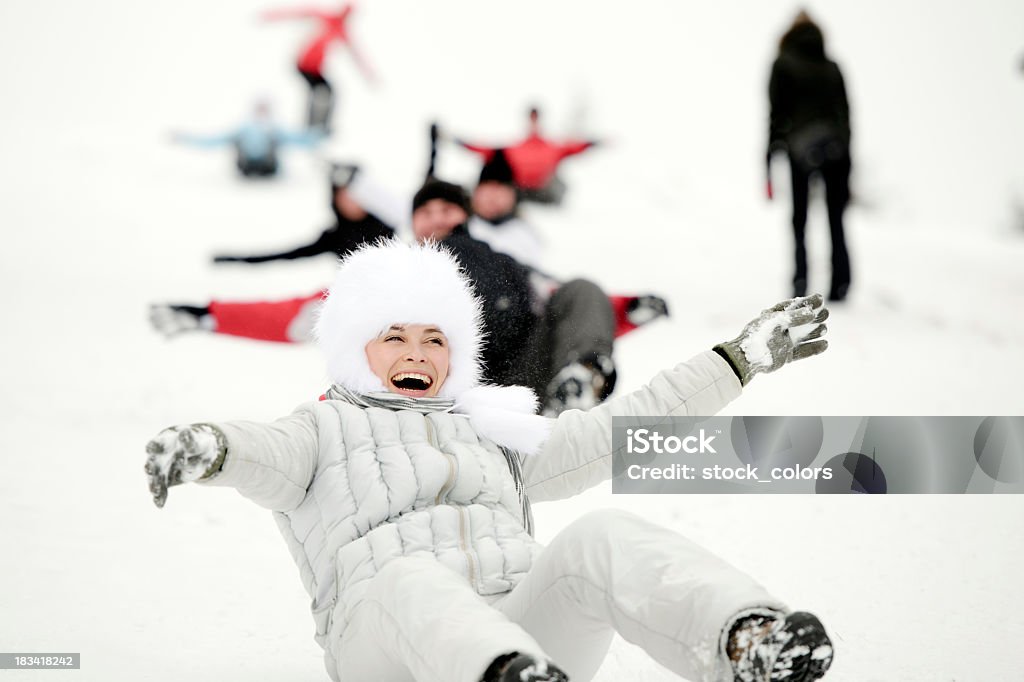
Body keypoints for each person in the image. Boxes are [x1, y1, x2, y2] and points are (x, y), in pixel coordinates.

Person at [144, 240, 834, 682]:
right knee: (408, 576)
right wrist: (212, 448)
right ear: (358, 349)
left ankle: (750, 641)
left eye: (434, 339)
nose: (417, 353)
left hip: (522, 642)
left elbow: (618, 429)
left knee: (600, 537)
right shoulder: (320, 428)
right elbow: (260, 454)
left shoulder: (492, 431)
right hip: (386, 646)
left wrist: (736, 362)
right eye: (395, 337)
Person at [150, 177, 665, 414]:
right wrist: (209, 315)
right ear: (412, 224)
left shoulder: (509, 263)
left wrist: (628, 311)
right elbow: (303, 316)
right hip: (455, 391)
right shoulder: (393, 272)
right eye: (427, 212)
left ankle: (575, 385)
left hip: (530, 373)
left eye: (450, 210)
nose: (440, 218)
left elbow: (571, 308)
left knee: (580, 286)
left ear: (465, 218)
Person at [767, 10, 853, 302]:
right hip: (836, 148)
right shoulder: (831, 66)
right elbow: (845, 114)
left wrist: (769, 160)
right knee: (835, 217)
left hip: (800, 147)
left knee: (800, 218)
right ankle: (841, 284)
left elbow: (776, 115)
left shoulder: (784, 63)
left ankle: (800, 282)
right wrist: (847, 153)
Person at [262, 3, 376, 132]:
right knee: (319, 90)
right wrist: (270, 16)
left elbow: (356, 55)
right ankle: (310, 126)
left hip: (315, 69)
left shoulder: (342, 31)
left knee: (327, 91)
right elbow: (297, 13)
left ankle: (322, 125)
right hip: (303, 64)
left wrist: (369, 74)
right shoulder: (325, 17)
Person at [456, 107, 599, 205]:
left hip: (545, 191)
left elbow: (575, 147)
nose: (534, 123)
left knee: (562, 185)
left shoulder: (552, 148)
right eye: (532, 118)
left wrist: (592, 143)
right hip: (520, 191)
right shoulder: (513, 148)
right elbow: (485, 150)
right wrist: (461, 143)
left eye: (536, 118)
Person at [172, 99, 324, 177]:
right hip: (246, 167)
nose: (262, 112)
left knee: (273, 137)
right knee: (243, 139)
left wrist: (320, 134)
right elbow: (212, 140)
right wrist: (185, 138)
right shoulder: (244, 128)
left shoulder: (274, 128)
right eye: (260, 108)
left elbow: (299, 139)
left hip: (268, 168)